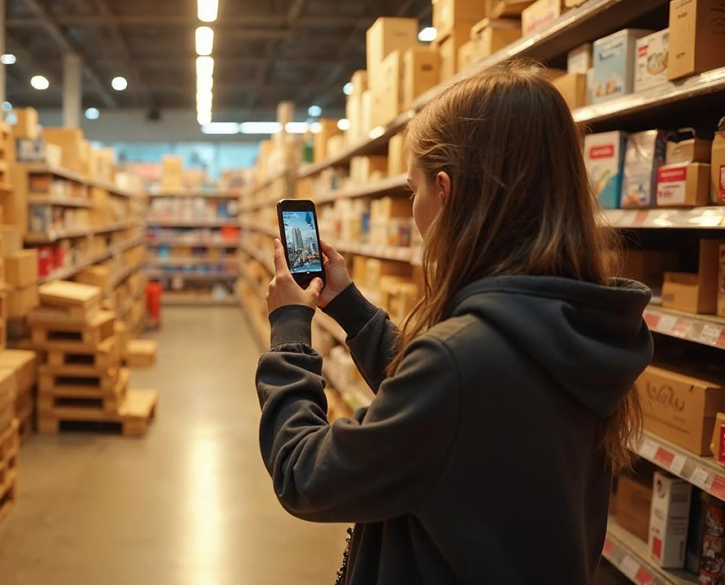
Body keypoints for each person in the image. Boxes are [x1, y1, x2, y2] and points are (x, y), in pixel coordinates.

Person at [255, 62, 653, 584]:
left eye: (412, 190)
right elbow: (452, 415)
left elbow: (304, 474)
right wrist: (349, 307)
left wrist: (289, 333)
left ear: (446, 192)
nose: (413, 208)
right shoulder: (581, 325)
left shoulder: (460, 362)